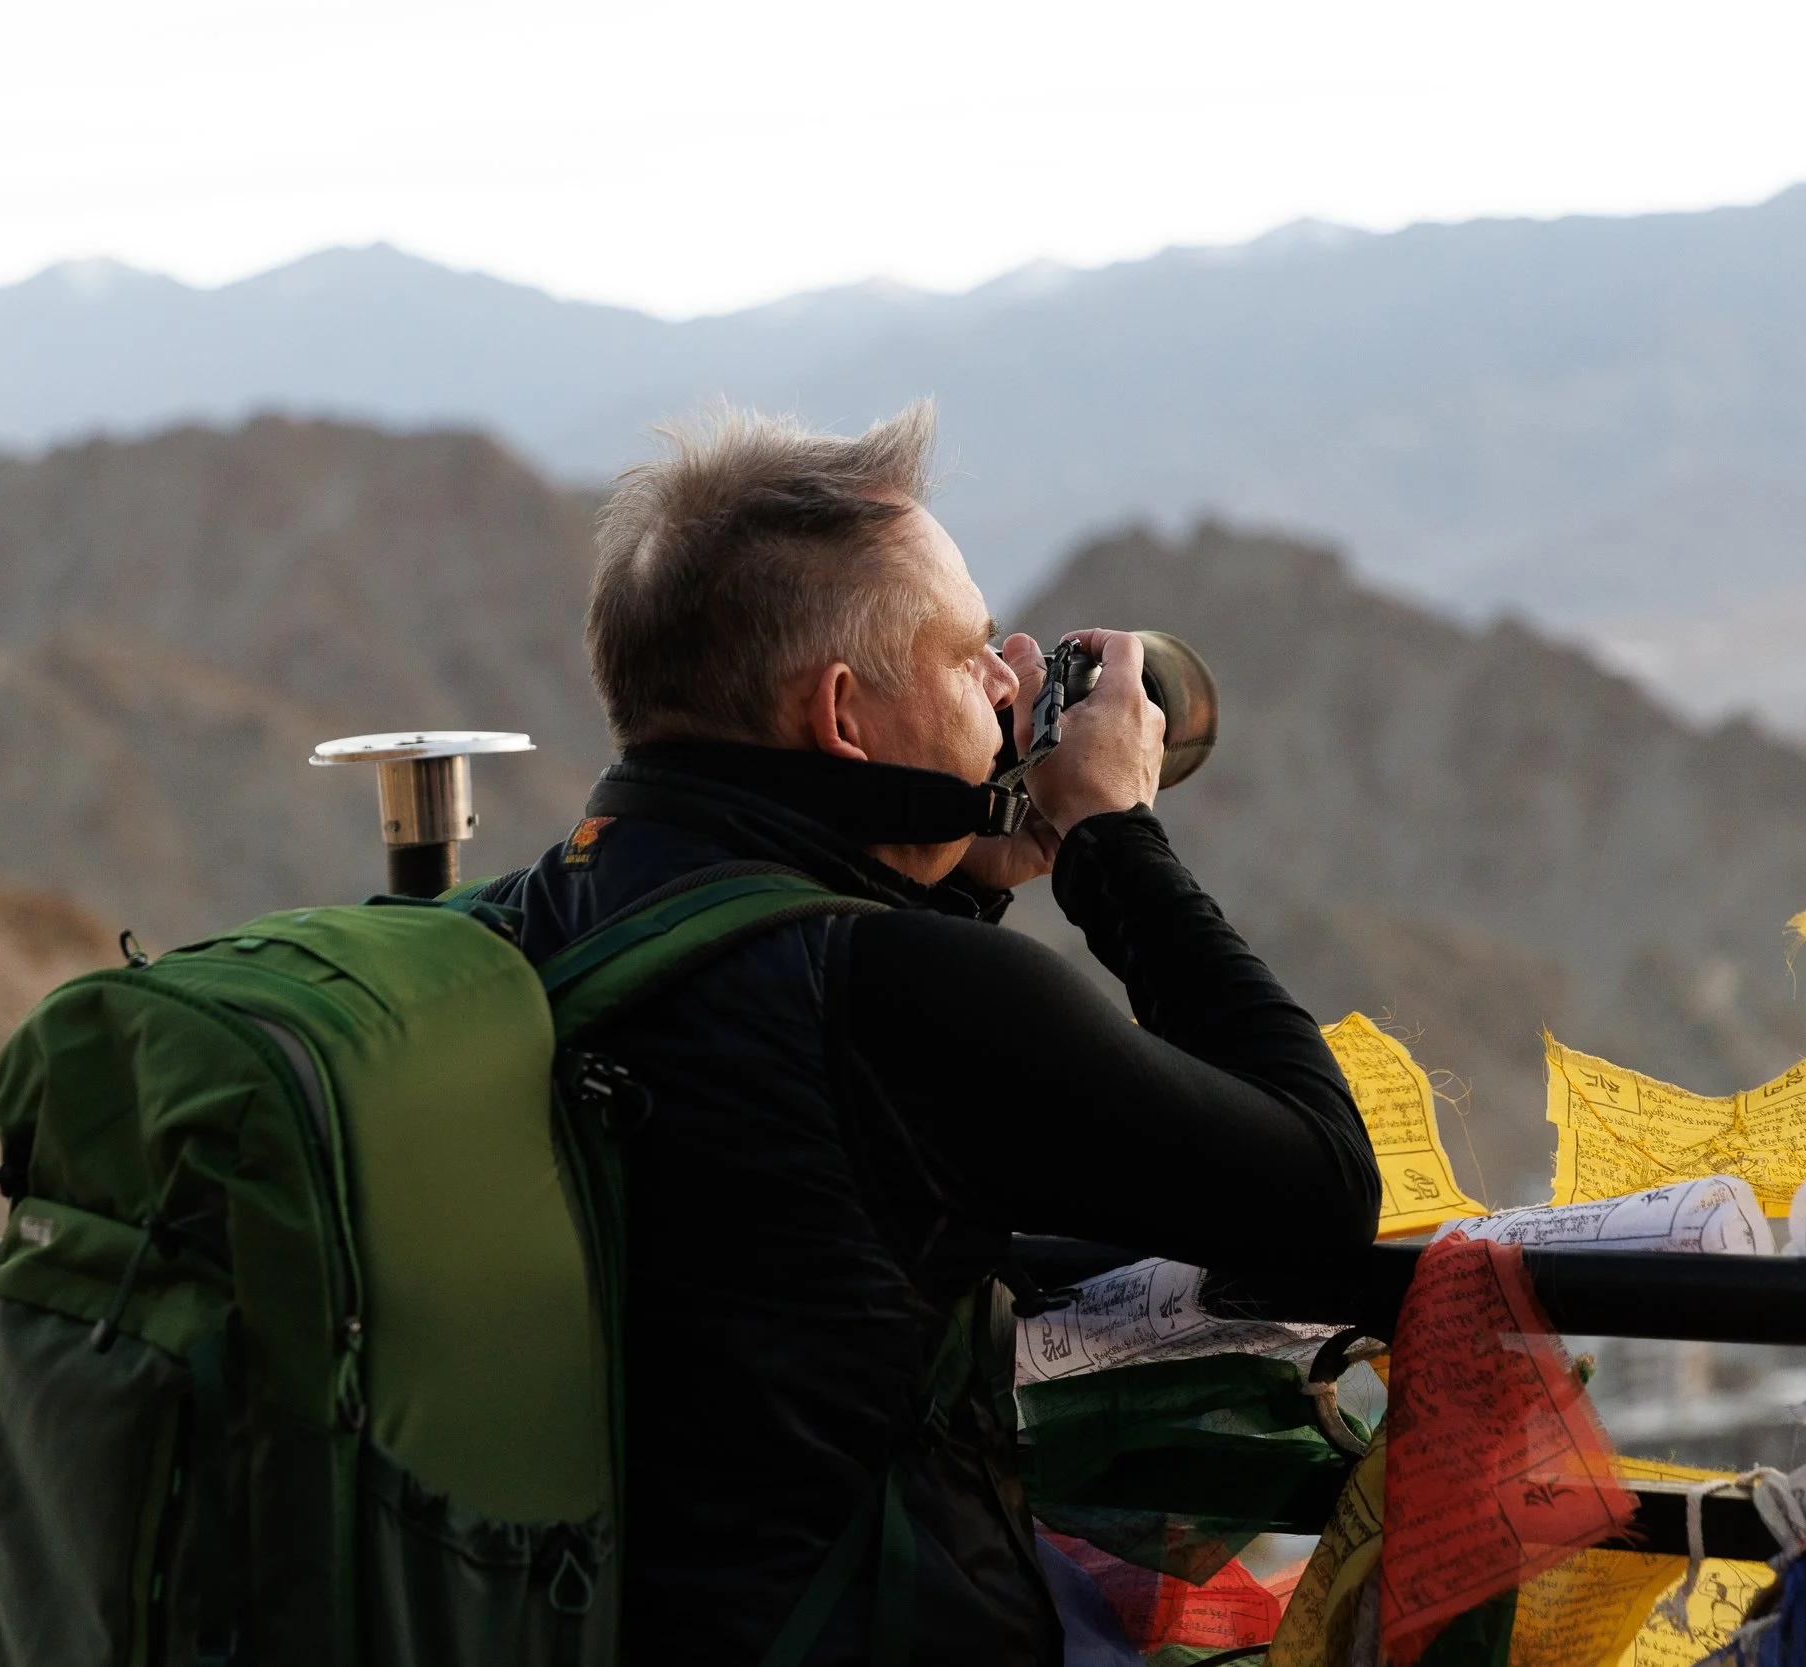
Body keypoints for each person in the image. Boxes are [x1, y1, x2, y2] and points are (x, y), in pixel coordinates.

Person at [479, 402, 1381, 1665]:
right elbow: (1319, 1185)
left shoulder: (521, 924)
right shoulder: (904, 990)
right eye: (968, 656)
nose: (1014, 673)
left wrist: (949, 876)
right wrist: (1116, 838)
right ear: (845, 718)